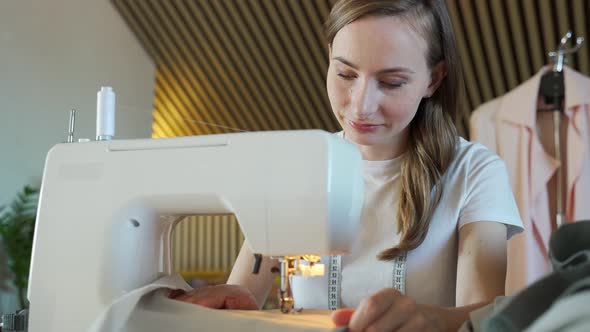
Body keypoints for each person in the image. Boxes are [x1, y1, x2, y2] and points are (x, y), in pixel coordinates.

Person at [170, 0, 523, 331]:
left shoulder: (474, 172)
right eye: (345, 74)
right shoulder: (296, 164)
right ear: (328, 59)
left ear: (433, 78)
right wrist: (239, 307)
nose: (361, 105)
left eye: (391, 82)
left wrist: (432, 319)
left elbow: (484, 318)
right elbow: (244, 293)